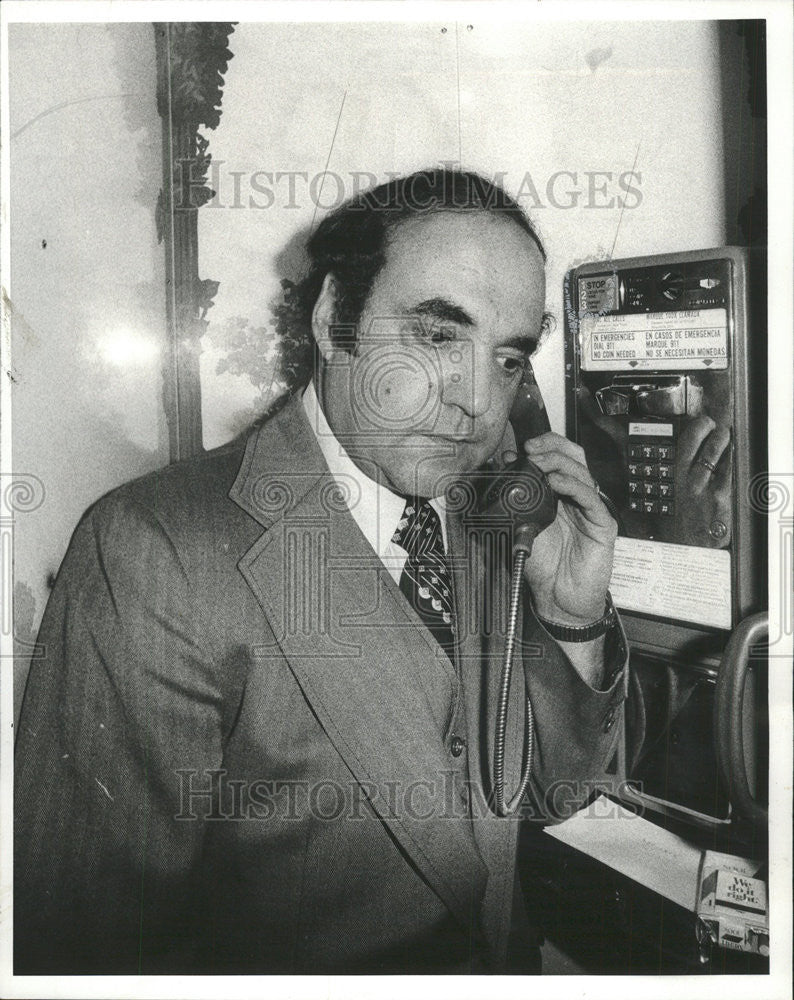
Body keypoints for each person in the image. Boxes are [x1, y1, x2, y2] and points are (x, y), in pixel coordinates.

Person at [14, 168, 642, 974]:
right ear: (333, 322)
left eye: (510, 356)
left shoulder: (486, 519)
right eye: (438, 335)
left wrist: (570, 618)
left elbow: (552, 796)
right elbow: (88, 948)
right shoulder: (156, 551)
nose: (480, 402)